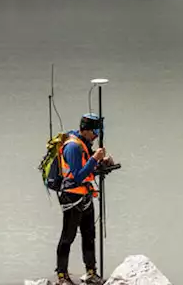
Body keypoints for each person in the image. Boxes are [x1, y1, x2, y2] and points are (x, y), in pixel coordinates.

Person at [55, 113, 112, 285]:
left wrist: (102, 163)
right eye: (95, 131)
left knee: (89, 235)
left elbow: (87, 169)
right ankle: (62, 276)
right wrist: (95, 158)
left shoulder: (84, 144)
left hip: (85, 195)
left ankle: (91, 272)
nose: (96, 135)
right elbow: (78, 176)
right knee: (68, 237)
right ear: (86, 130)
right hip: (72, 198)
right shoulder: (72, 147)